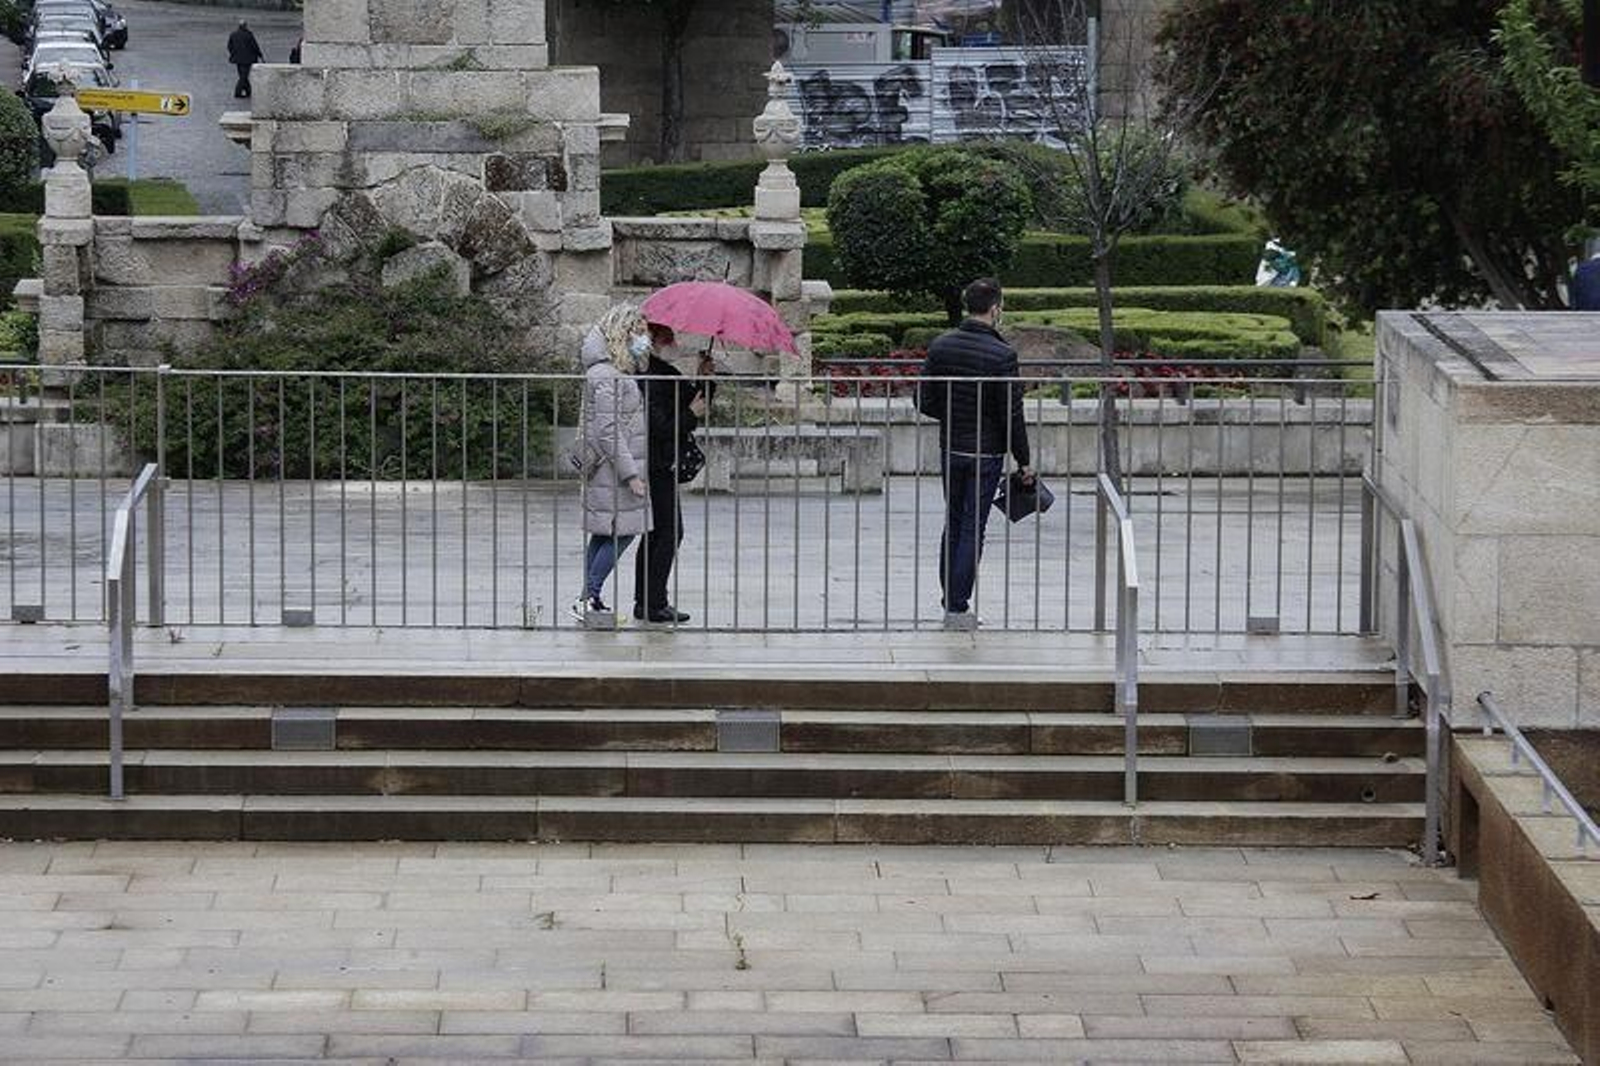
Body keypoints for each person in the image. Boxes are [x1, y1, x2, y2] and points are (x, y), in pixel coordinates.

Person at [917, 278, 1033, 629]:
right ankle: (958, 606)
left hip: (951, 446)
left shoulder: (941, 345)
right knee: (972, 528)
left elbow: (923, 399)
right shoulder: (1003, 355)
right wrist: (1024, 460)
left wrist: (952, 415)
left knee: (953, 522)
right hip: (986, 452)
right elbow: (1011, 414)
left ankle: (951, 602)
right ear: (995, 308)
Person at [571, 305, 655, 622]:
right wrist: (631, 475)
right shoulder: (607, 375)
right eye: (639, 332)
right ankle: (588, 596)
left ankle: (588, 599)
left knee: (606, 533)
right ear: (623, 333)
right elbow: (608, 430)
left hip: (610, 467)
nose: (644, 339)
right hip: (613, 470)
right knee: (623, 533)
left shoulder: (611, 372)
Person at [633, 324, 712, 624]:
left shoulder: (663, 372)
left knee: (657, 532)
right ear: (653, 341)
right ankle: (653, 603)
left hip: (660, 461)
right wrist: (691, 414)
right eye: (668, 339)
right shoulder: (649, 377)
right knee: (668, 532)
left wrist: (705, 379)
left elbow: (694, 400)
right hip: (655, 463)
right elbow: (662, 426)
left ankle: (648, 601)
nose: (674, 344)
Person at [228, 20, 264, 99]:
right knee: (243, 76)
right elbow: (254, 46)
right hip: (248, 59)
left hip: (237, 59)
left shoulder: (233, 34)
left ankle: (249, 92)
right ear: (245, 26)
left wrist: (233, 54)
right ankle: (238, 92)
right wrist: (260, 55)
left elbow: (229, 46)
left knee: (242, 75)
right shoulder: (249, 35)